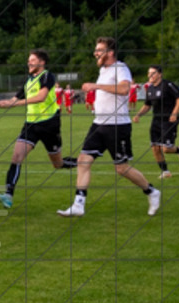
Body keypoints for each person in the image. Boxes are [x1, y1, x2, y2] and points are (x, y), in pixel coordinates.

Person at [58, 37, 161, 218]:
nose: (95, 53)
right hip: (99, 124)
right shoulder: (103, 70)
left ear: (110, 53)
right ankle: (78, 204)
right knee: (83, 161)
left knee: (121, 168)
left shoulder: (120, 68)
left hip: (117, 126)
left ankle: (151, 191)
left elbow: (123, 89)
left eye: (99, 50)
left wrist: (96, 86)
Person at [0, 50, 77, 210]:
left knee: (58, 164)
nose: (29, 63)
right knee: (16, 157)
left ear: (41, 63)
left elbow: (41, 97)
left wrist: (15, 103)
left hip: (49, 124)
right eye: (28, 60)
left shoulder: (46, 76)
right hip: (31, 125)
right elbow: (14, 99)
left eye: (32, 60)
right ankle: (8, 195)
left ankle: (83, 161)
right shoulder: (28, 81)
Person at [133, 65, 179, 179]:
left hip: (169, 120)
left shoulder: (168, 85)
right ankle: (165, 171)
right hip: (156, 121)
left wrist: (174, 113)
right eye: (149, 73)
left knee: (166, 148)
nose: (150, 76)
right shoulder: (150, 88)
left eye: (153, 73)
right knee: (155, 147)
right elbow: (147, 105)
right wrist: (138, 115)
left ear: (160, 74)